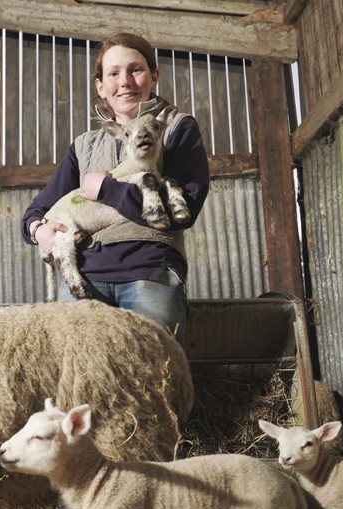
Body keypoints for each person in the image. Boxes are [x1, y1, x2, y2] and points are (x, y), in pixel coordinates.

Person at [22, 32, 210, 342]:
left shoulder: (176, 128)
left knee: (150, 377)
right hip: (84, 281)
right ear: (101, 86)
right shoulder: (84, 146)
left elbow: (184, 211)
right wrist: (38, 230)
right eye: (113, 73)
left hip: (149, 273)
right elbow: (36, 211)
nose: (125, 81)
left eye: (135, 69)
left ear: (154, 76)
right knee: (81, 382)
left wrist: (105, 190)